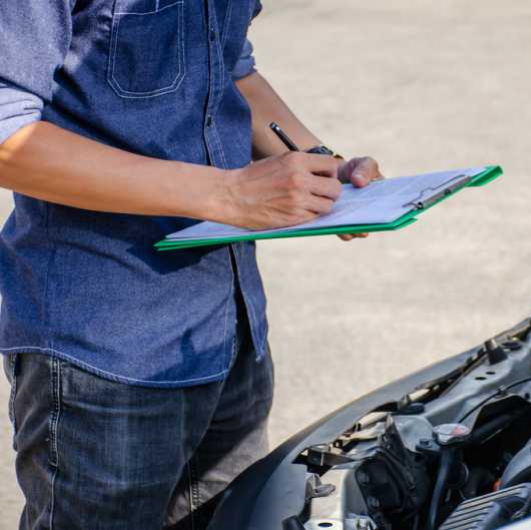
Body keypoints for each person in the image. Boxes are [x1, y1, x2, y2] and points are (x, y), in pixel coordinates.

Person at [0, 1, 381, 528]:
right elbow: (4, 135)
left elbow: (231, 68)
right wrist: (227, 193)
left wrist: (322, 167)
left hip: (229, 327)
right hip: (105, 348)